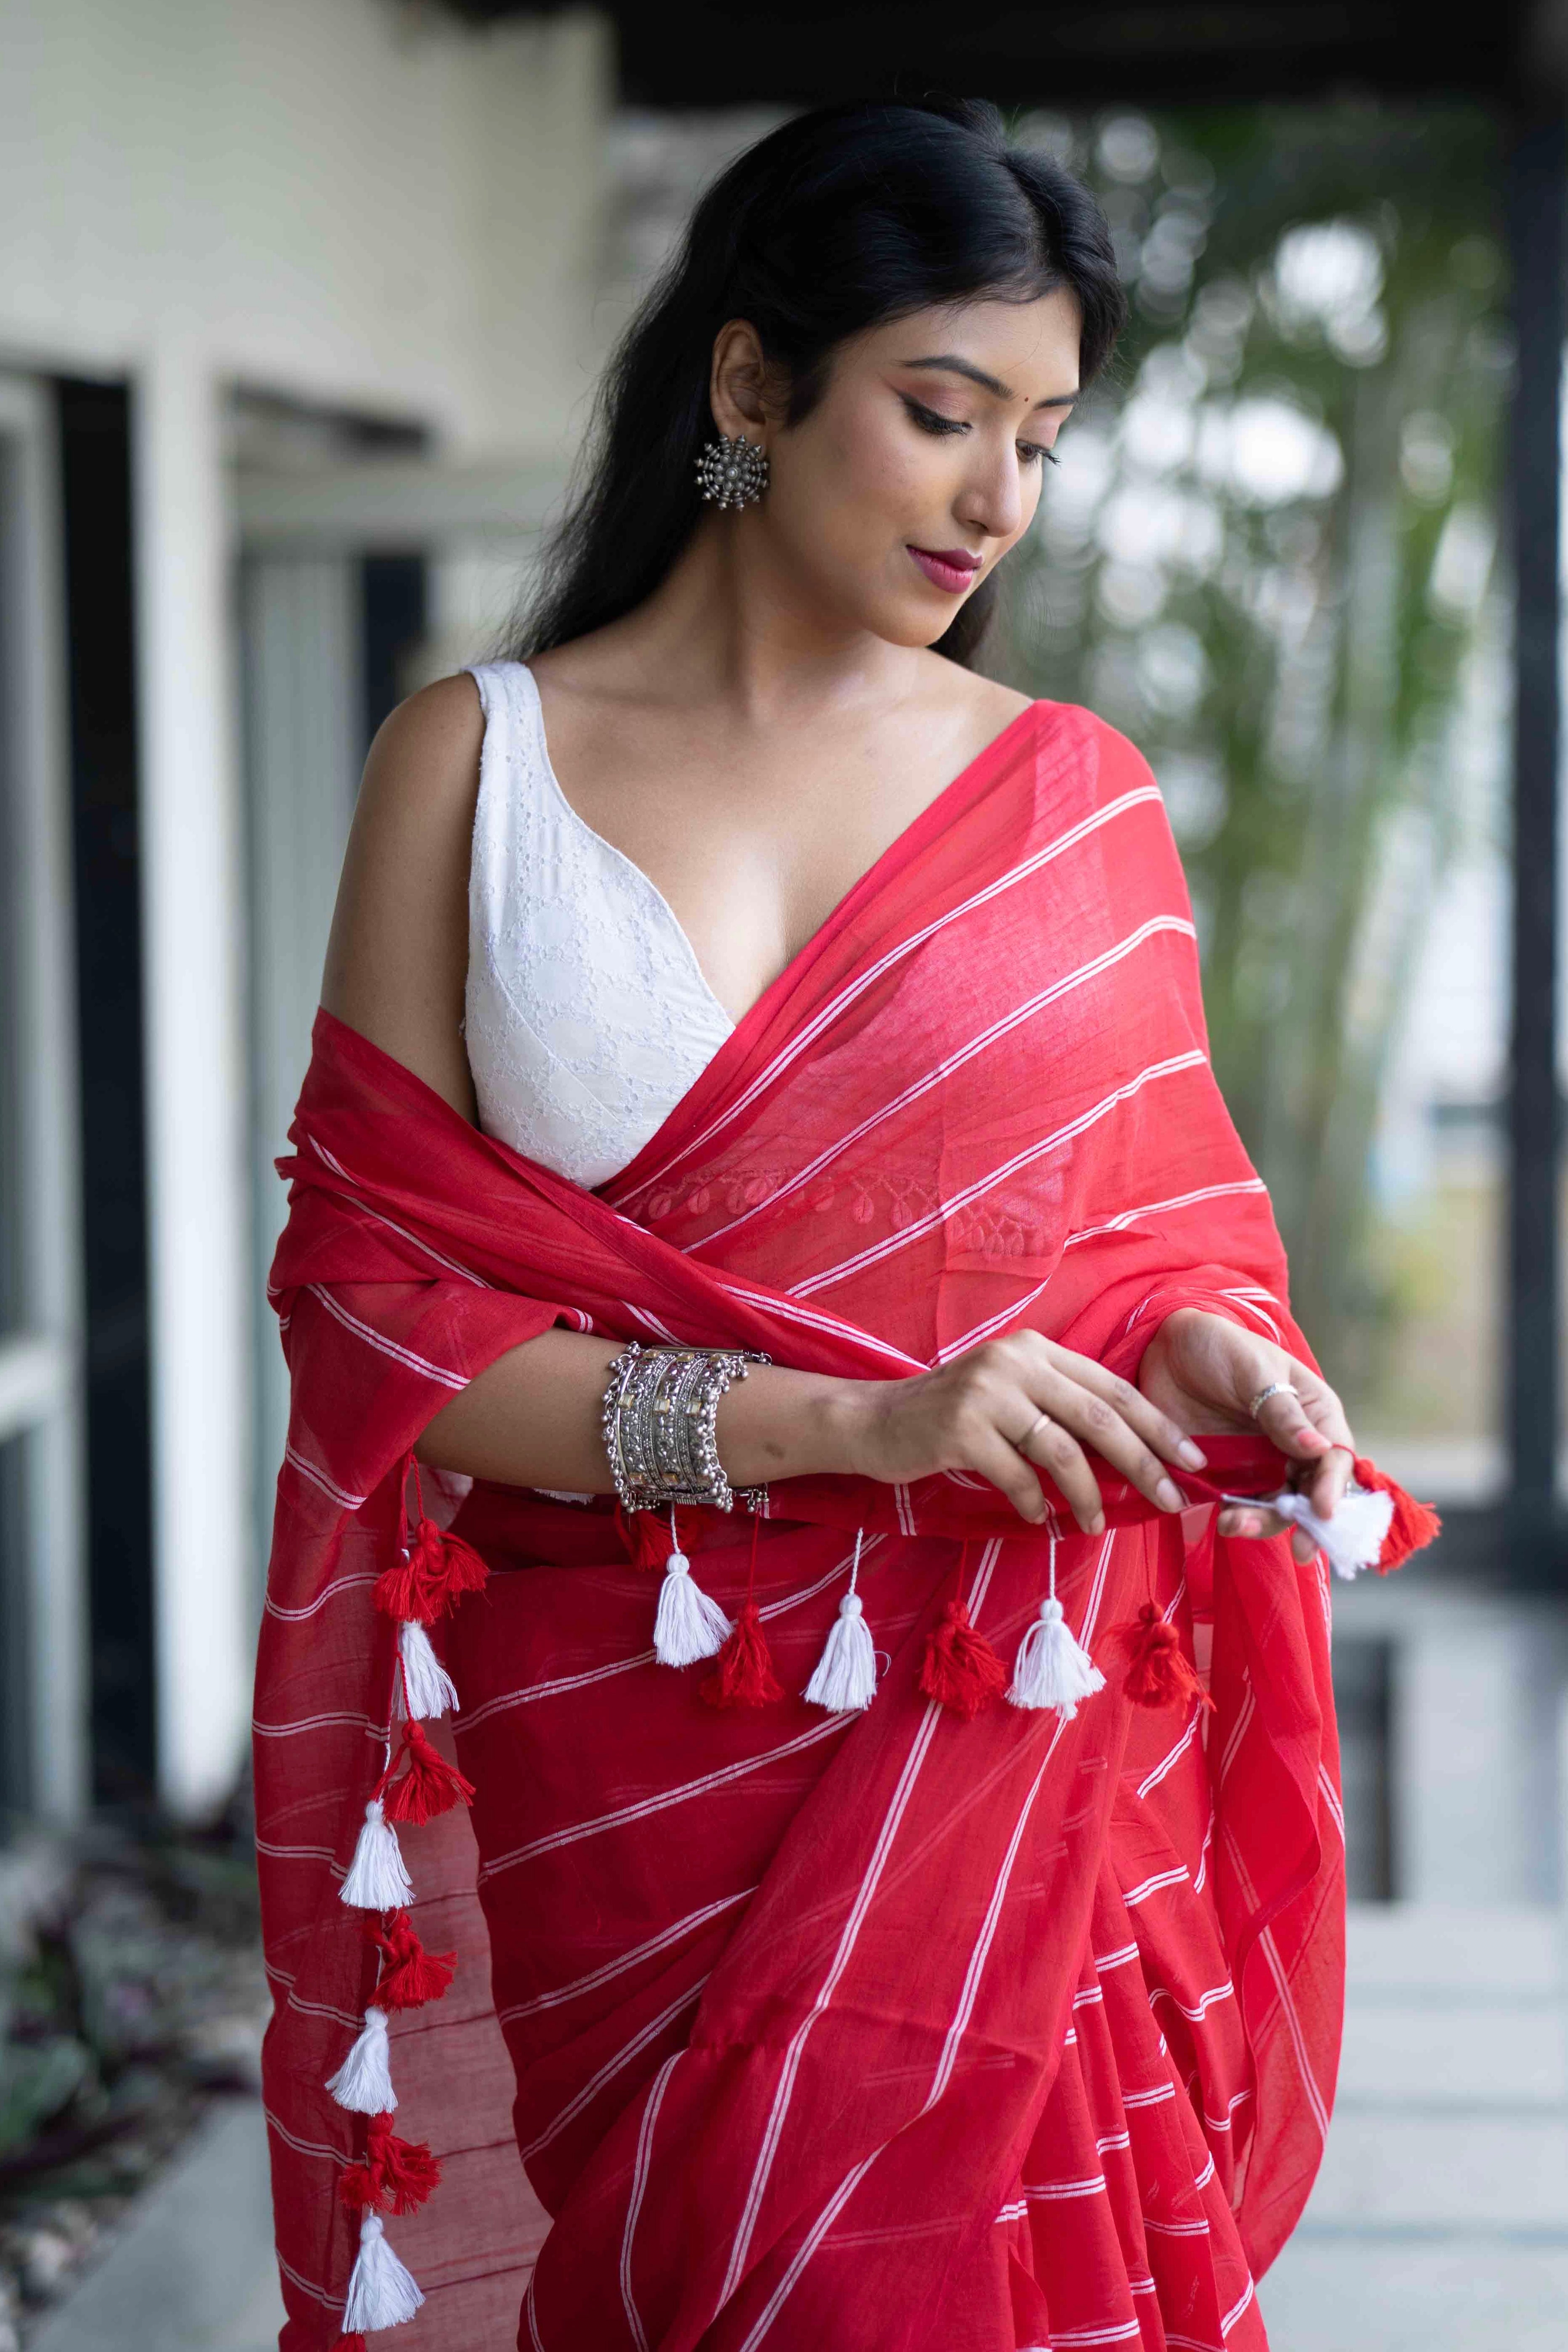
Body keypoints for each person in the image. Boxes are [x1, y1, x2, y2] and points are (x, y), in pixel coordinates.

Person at [255, 96, 1426, 2352]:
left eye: (1044, 441)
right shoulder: (475, 767)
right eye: (943, 412)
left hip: (1004, 1721)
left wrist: (1207, 1350)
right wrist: (849, 1427)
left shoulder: (1069, 803)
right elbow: (375, 1325)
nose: (999, 500)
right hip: (631, 1745)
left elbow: (1149, 1251)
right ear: (748, 380)